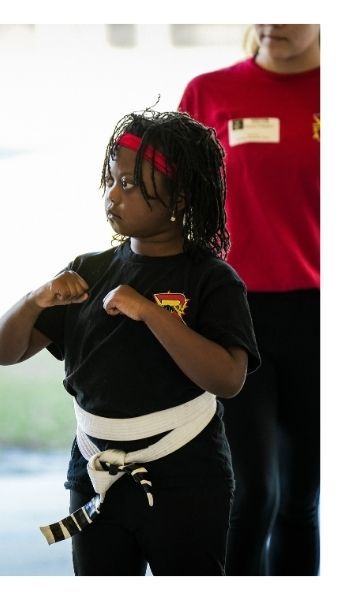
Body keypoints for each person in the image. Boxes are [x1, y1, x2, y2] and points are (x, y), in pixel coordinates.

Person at [0, 109, 260, 576]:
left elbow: (228, 379)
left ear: (179, 196)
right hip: (96, 473)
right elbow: (3, 352)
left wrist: (151, 312)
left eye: (130, 184)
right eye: (111, 181)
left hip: (187, 477)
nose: (113, 195)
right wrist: (37, 298)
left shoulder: (210, 278)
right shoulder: (89, 271)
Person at [178, 24, 320, 575]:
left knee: (299, 503)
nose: (273, 23)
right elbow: (166, 199)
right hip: (232, 314)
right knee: (251, 495)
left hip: (318, 317)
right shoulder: (208, 93)